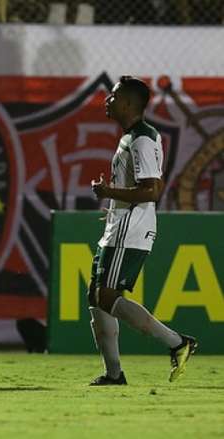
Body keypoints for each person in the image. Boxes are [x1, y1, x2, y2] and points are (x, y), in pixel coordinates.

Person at [88, 75, 197, 386]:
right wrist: (113, 202)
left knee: (106, 295)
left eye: (112, 96)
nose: (107, 100)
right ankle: (113, 374)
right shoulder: (131, 137)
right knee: (96, 296)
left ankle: (177, 342)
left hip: (130, 229)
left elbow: (151, 190)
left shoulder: (142, 139)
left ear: (127, 103)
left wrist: (109, 192)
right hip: (118, 225)